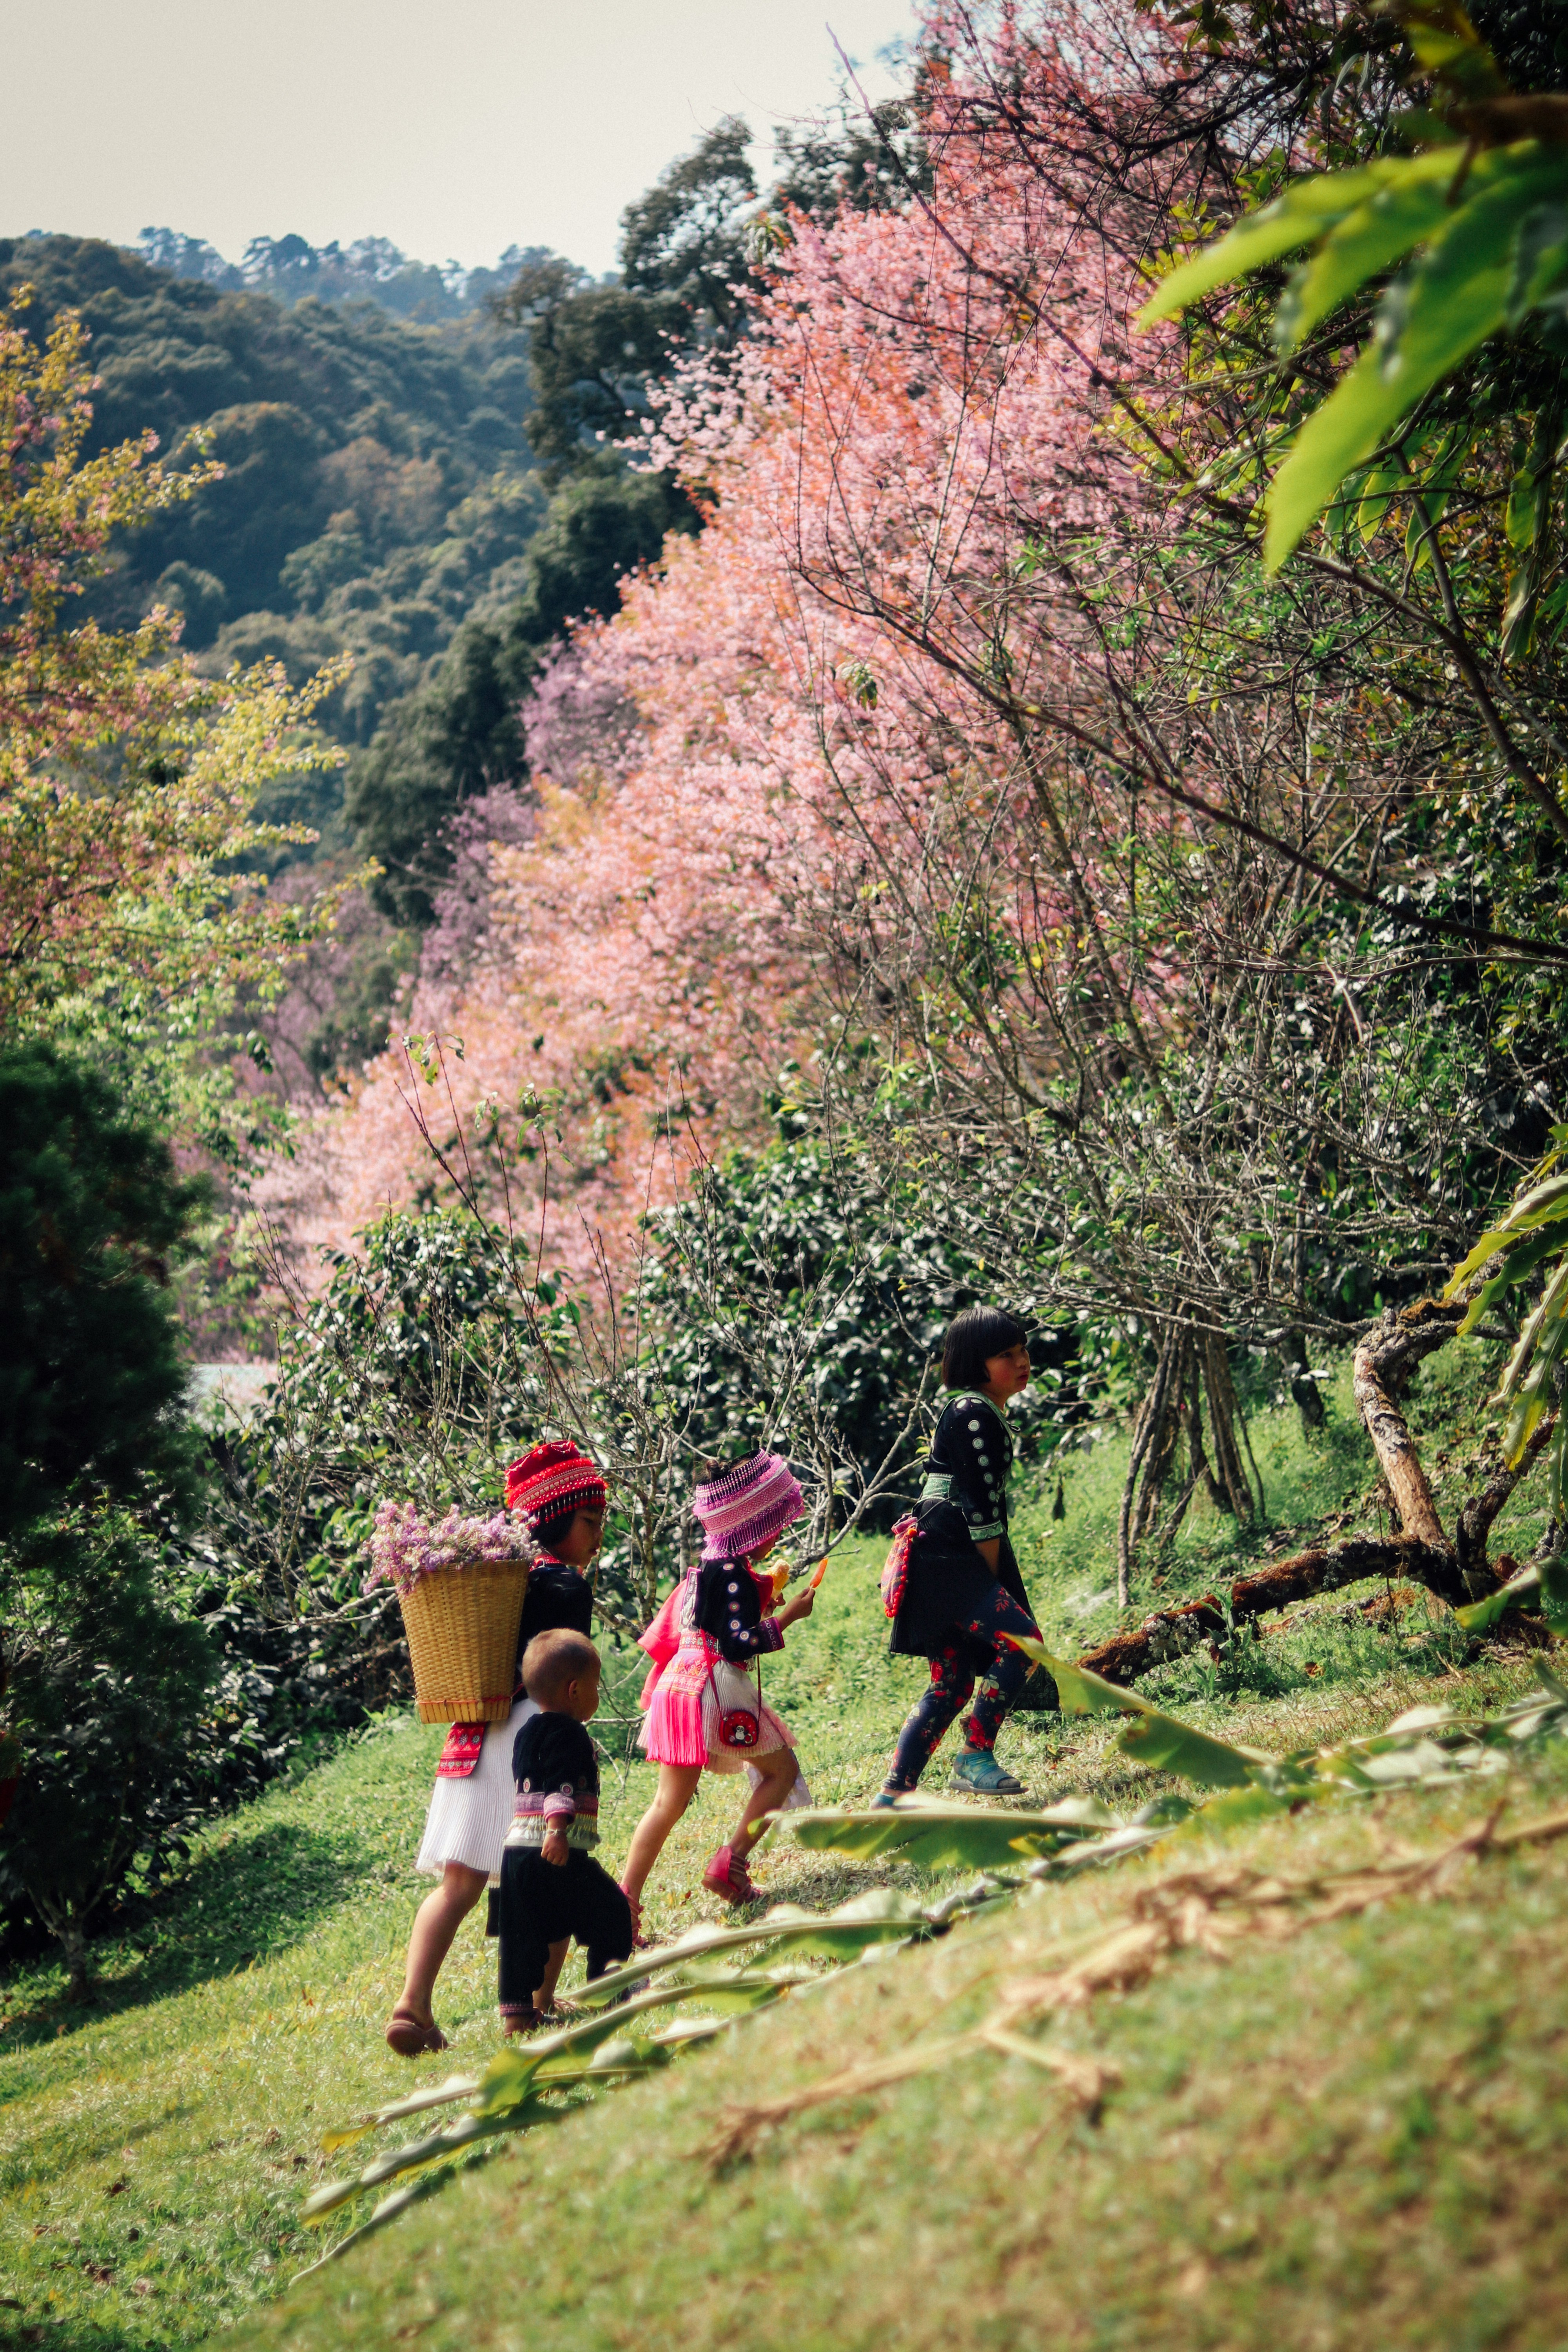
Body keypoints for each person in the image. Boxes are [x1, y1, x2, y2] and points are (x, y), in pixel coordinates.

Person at [384, 1439, 607, 2057]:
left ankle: (413, 2006)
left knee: (458, 1886)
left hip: (472, 1739)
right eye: (590, 1521)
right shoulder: (563, 1585)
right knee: (553, 1873)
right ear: (556, 1517)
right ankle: (536, 2003)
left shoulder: (491, 1582)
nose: (597, 1536)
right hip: (533, 1739)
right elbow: (570, 1675)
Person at [620, 1450, 816, 1927]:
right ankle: (730, 1863)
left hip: (678, 1686)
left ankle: (622, 1909)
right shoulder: (734, 1574)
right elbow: (737, 1644)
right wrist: (787, 1618)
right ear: (752, 1522)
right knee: (781, 1771)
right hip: (714, 1686)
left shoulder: (704, 1569)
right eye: (773, 1523)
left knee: (667, 1804)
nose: (777, 1535)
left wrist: (764, 1599)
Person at [876, 1306, 1044, 1803]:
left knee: (951, 1682)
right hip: (953, 1552)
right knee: (1022, 1642)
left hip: (938, 1550)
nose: (1021, 1361)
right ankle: (973, 1756)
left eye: (1022, 1350)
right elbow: (980, 1506)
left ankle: (893, 1795)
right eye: (1005, 1355)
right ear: (974, 1363)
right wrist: (991, 1582)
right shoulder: (974, 1413)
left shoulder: (978, 1409)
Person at [496, 1628, 632, 2033]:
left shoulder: (526, 1732)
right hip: (556, 1847)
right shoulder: (569, 1733)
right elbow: (561, 1783)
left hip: (518, 1850)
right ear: (574, 1690)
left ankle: (518, 2017)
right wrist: (556, 1828)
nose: (596, 1693)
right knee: (610, 1909)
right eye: (595, 1685)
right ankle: (608, 1988)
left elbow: (529, 1781)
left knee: (524, 1933)